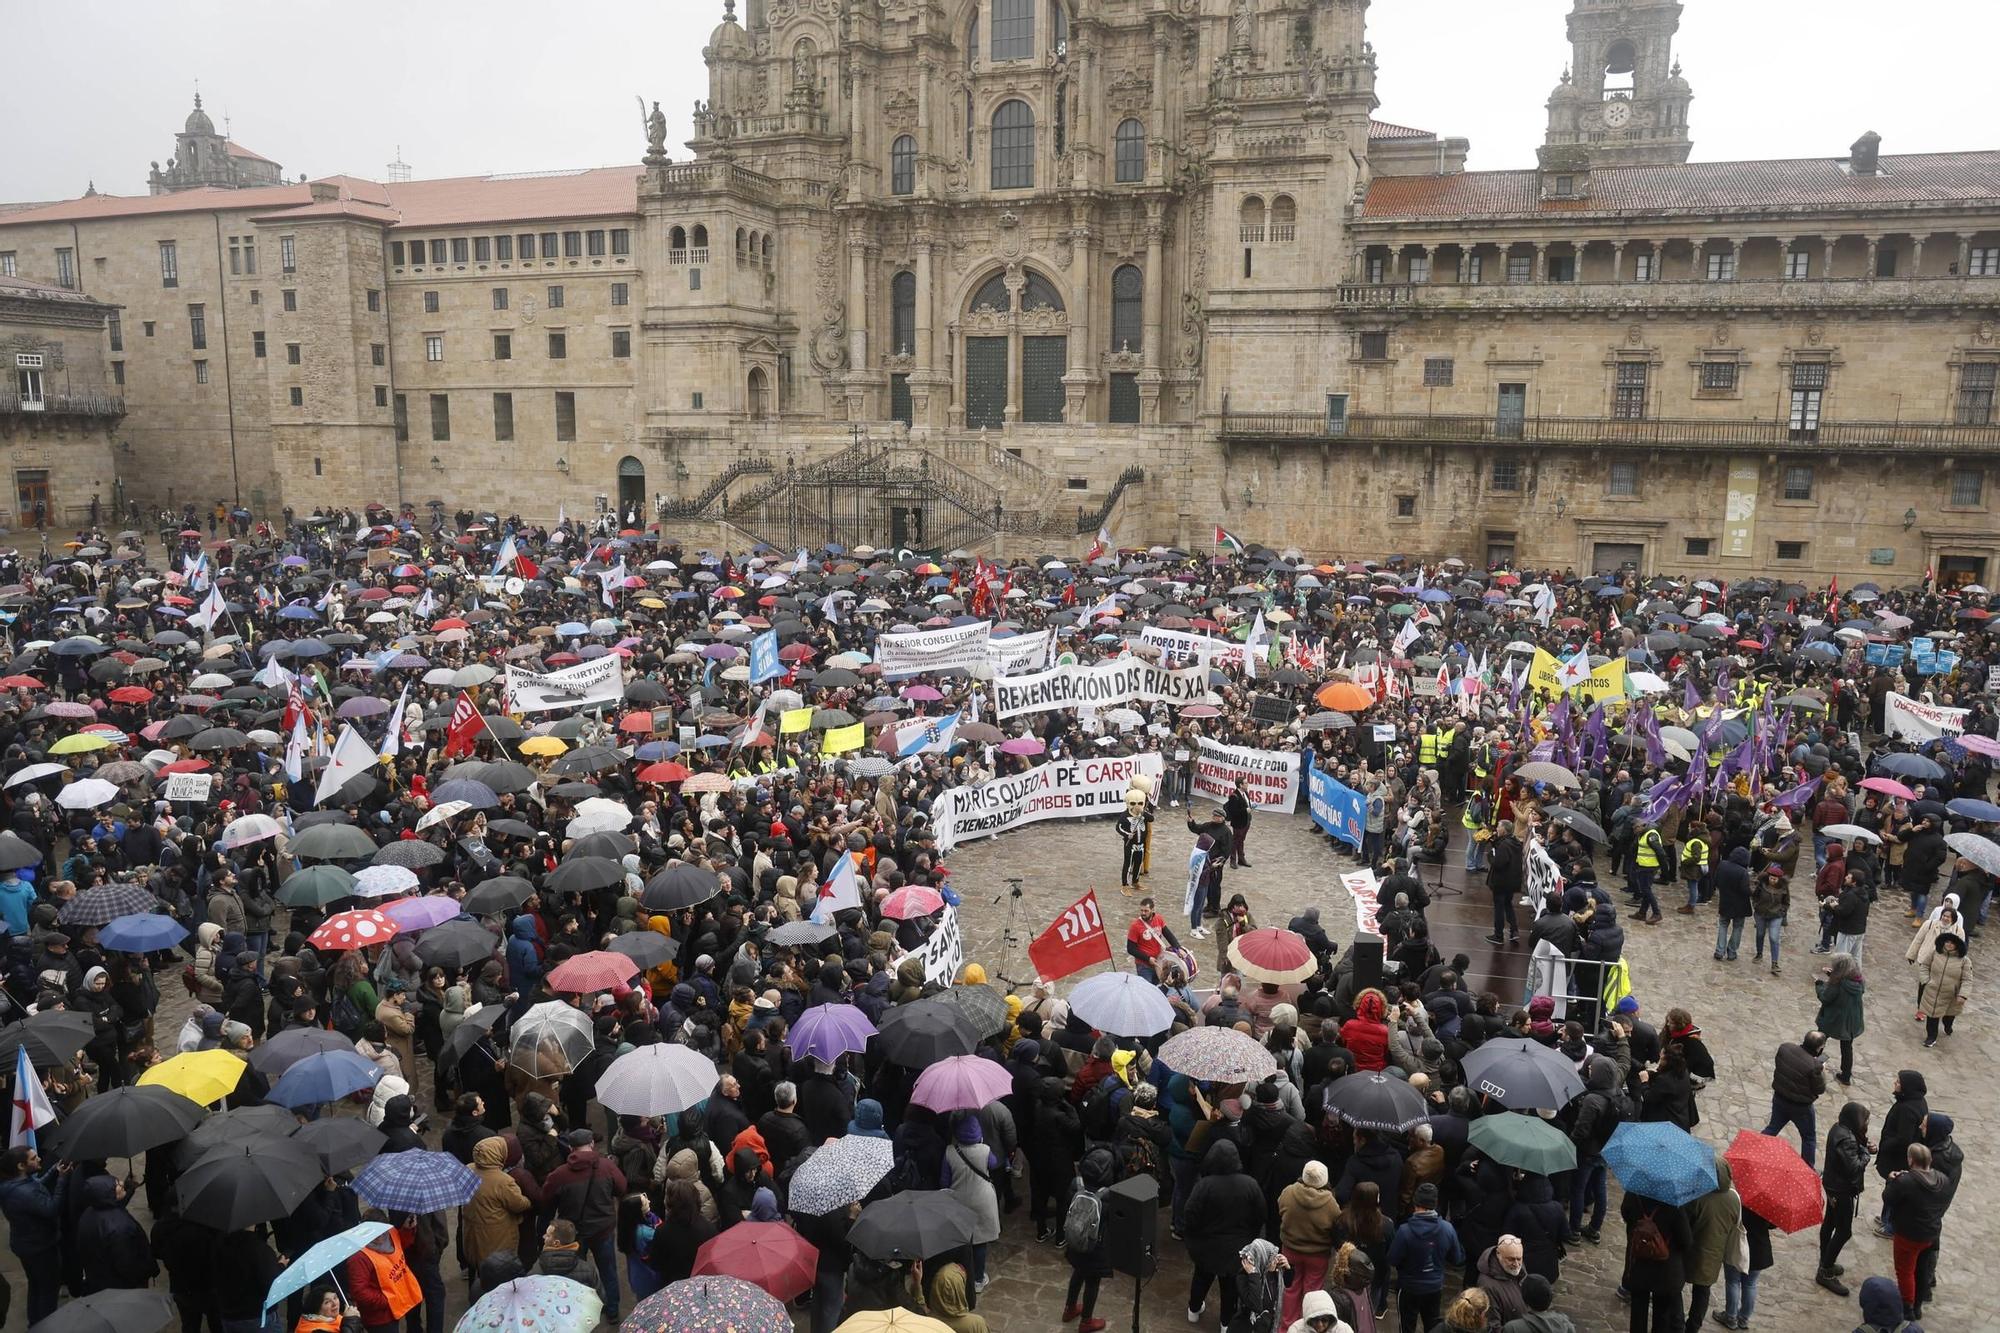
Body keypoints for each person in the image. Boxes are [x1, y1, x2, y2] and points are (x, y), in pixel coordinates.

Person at [1184, 1140, 1265, 1328]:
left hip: (1206, 1247)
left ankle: (1194, 1310)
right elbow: (1261, 1215)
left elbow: (1190, 1215)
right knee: (1230, 1289)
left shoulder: (1204, 1185)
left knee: (1201, 1279)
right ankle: (1225, 1323)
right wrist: (1249, 1237)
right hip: (1236, 1250)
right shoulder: (1250, 1184)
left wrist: (1194, 1237)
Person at [1385, 1181, 1461, 1333]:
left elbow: (1392, 1259)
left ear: (1415, 1203)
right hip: (1434, 1287)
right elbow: (1457, 1259)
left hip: (1408, 1288)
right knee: (1432, 1326)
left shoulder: (1404, 1231)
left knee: (1407, 1327)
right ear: (1435, 1204)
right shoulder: (1448, 1229)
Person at [1882, 1143, 1947, 1322]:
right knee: (1922, 1270)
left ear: (1911, 1160)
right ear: (1930, 1160)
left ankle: (1907, 1308)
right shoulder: (1942, 1179)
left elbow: (1888, 1198)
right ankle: (1917, 1306)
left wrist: (1891, 1180)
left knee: (1905, 1271)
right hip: (1930, 1234)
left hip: (1908, 1235)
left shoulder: (1906, 1181)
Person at [0, 1147, 64, 1323]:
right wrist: (62, 1181)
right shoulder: (25, 1192)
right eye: (34, 1158)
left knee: (36, 1286)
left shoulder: (13, 1184)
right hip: (41, 1247)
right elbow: (51, 1209)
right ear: (21, 1166)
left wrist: (54, 1171)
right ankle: (46, 1325)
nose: (40, 1159)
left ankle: (35, 1322)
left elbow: (36, 1185)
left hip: (25, 1245)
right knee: (48, 1290)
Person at [1817, 1101, 1873, 1298]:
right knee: (1843, 1231)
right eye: (1864, 1120)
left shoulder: (1839, 1129)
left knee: (1830, 1223)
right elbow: (1854, 1167)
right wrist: (1865, 1153)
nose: (1866, 1123)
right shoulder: (1847, 1139)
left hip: (1833, 1185)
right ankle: (1825, 1270)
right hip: (1841, 1190)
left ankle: (1826, 1260)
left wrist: (1863, 1145)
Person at [1618, 1187, 1692, 1333]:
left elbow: (1626, 1214)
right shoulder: (1675, 1202)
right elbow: (1686, 1240)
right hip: (1665, 1270)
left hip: (1638, 1264)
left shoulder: (1634, 1191)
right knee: (1661, 1317)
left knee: (1638, 1315)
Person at [1278, 1159, 1339, 1328]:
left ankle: (1287, 1328)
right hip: (1317, 1255)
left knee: (1290, 1289)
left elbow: (1280, 1208)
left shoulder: (1289, 1192)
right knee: (1312, 1294)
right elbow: (1336, 1224)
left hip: (1290, 1250)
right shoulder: (1330, 1202)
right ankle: (1309, 1328)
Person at [1762, 1031, 1828, 1166]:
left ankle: (1754, 1149)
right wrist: (1822, 1072)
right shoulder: (1814, 1066)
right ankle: (1808, 1168)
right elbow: (1819, 1089)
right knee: (1809, 1138)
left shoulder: (1785, 1048)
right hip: (1801, 1108)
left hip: (1780, 1098)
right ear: (1819, 1048)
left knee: (1772, 1128)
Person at [1814, 953, 1866, 1085]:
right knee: (1847, 1047)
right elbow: (1847, 985)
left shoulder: (1837, 984)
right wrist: (1832, 976)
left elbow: (1826, 997)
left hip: (1833, 1019)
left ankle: (1814, 1066)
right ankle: (1846, 1075)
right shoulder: (1859, 980)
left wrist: (1819, 985)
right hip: (1852, 1020)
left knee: (1820, 1041)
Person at [1915, 932, 1968, 1048]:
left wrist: (1963, 994)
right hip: (1933, 991)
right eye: (1947, 942)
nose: (1949, 944)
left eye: (1952, 943)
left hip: (1951, 996)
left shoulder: (1964, 961)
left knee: (1948, 1016)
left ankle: (1948, 1026)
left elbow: (1967, 980)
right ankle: (1931, 1037)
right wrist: (1926, 980)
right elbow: (1924, 966)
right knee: (1932, 1015)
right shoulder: (1934, 953)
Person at [1484, 821, 1522, 946]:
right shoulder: (1514, 842)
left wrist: (1490, 857)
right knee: (1508, 904)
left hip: (1501, 882)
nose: (1497, 828)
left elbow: (1499, 863)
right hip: (1511, 881)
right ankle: (1514, 930)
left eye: (1499, 826)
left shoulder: (1504, 845)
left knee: (1499, 908)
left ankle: (1498, 935)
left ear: (1504, 830)